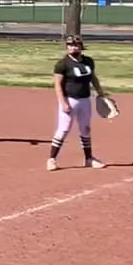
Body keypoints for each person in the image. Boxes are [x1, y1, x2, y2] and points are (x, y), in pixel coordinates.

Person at [48, 35, 109, 171]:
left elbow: (93, 78)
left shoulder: (88, 61)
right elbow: (57, 85)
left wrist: (101, 92)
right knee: (64, 129)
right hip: (69, 99)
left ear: (81, 47)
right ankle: (52, 159)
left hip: (85, 100)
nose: (73, 47)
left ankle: (89, 159)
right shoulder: (62, 64)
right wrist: (63, 102)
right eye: (70, 45)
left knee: (85, 129)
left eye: (76, 45)